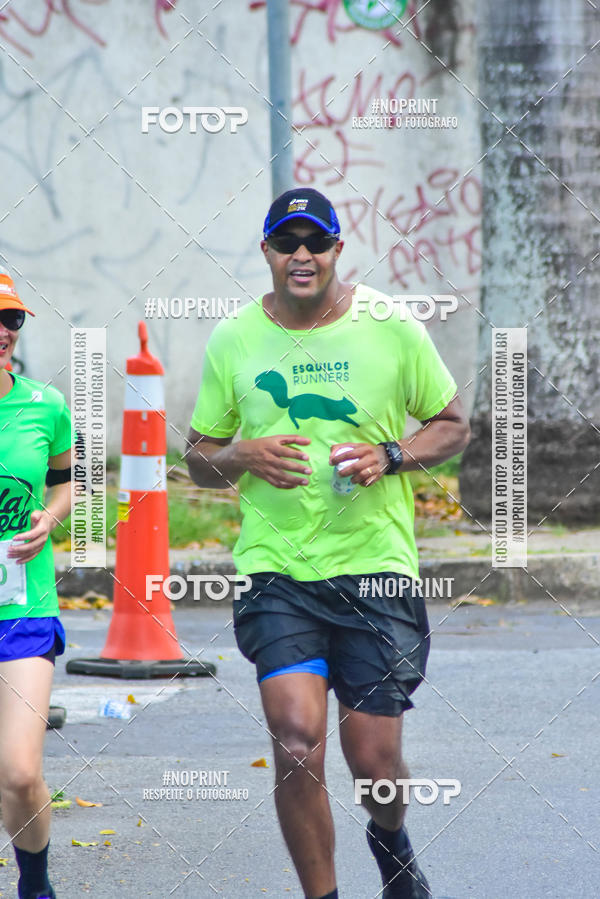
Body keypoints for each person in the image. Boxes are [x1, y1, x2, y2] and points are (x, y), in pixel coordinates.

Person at [186, 187, 470, 899]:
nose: (302, 255)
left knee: (374, 761)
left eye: (316, 243)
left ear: (339, 250)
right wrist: (243, 454)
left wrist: (393, 455)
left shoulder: (390, 326)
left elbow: (452, 422)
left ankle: (391, 838)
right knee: (294, 739)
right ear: (267, 253)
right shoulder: (234, 339)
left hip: (375, 568)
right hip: (277, 571)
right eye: (288, 243)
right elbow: (197, 454)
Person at [0, 267, 72, 899]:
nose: (3, 331)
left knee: (20, 773)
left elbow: (68, 479)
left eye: (11, 319)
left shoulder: (44, 404)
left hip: (23, 603)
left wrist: (47, 521)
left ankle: (36, 888)